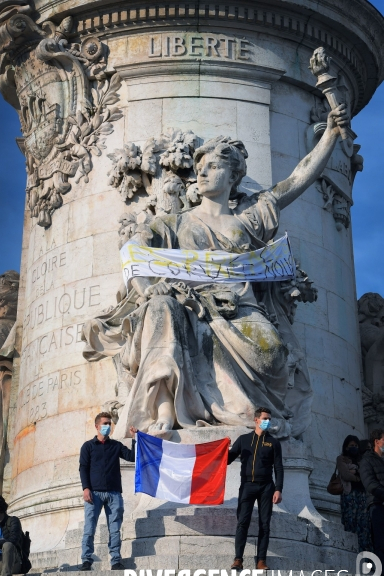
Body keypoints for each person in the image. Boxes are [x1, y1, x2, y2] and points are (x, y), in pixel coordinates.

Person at [82, 104, 349, 442]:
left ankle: (243, 413)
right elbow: (135, 255)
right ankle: (166, 408)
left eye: (213, 167)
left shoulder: (250, 218)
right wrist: (146, 287)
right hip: (193, 307)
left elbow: (297, 179)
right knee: (162, 309)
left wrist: (330, 134)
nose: (202, 173)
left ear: (234, 175)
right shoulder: (175, 222)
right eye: (199, 167)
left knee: (273, 355)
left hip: (241, 310)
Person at [79, 412, 137, 571]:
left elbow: (132, 457)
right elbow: (83, 468)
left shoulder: (115, 445)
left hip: (114, 493)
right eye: (104, 424)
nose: (108, 427)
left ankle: (116, 560)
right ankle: (86, 559)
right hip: (94, 494)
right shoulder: (88, 446)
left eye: (109, 424)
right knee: (89, 528)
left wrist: (134, 439)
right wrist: (86, 488)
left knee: (115, 529)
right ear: (97, 426)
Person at [227, 407, 283, 571]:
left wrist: (278, 489)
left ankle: (261, 561)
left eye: (269, 419)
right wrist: (225, 448)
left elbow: (279, 467)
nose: (267, 422)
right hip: (247, 486)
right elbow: (227, 460)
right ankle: (238, 559)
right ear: (256, 420)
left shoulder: (274, 442)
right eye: (265, 418)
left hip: (266, 487)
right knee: (242, 522)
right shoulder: (244, 440)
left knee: (264, 524)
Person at [336, 435, 372, 553]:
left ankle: (364, 553)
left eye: (356, 446)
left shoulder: (361, 460)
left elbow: (365, 475)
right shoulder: (341, 459)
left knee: (363, 525)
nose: (354, 448)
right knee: (350, 521)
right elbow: (345, 475)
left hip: (361, 495)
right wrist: (357, 476)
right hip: (349, 494)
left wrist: (354, 471)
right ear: (346, 447)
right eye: (351, 446)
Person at [360, 428, 384, 565]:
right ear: (377, 441)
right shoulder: (367, 461)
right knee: (381, 543)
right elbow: (370, 484)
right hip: (377, 506)